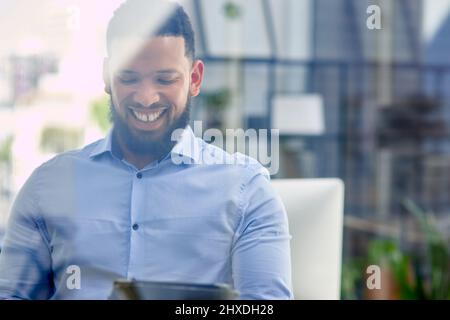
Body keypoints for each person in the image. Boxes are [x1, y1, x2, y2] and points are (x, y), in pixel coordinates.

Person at [0, 0, 292, 299]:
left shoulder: (247, 191)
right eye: (128, 77)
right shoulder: (47, 186)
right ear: (107, 76)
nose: (146, 97)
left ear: (194, 78)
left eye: (165, 79)